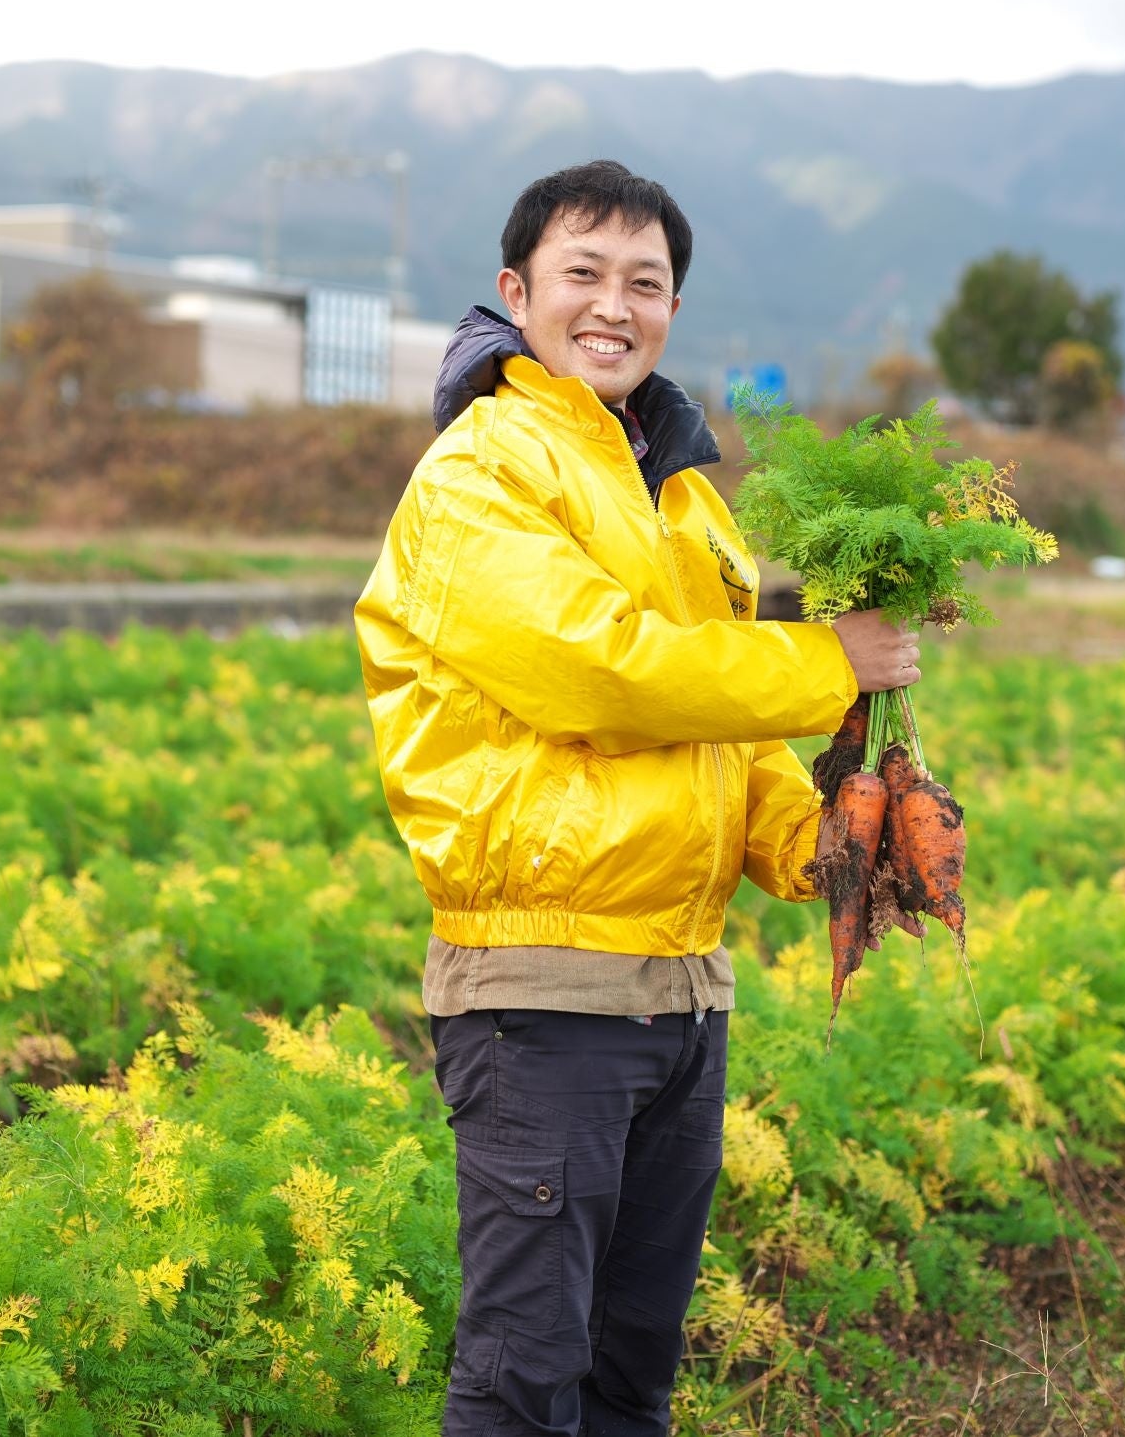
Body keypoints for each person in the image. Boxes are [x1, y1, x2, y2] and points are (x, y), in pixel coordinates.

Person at [354, 160, 921, 1435]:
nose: (614, 304)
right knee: (523, 1371)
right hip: (544, 989)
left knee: (628, 1370)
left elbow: (728, 739)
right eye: (583, 274)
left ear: (671, 307)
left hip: (679, 992)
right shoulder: (478, 476)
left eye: (645, 282)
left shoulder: (681, 498)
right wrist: (828, 659)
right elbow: (598, 671)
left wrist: (831, 839)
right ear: (517, 293)